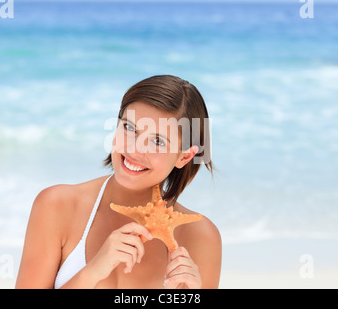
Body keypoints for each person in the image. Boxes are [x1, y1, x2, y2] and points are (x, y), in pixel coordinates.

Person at [15, 75, 222, 289]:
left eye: (158, 141)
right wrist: (93, 272)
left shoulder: (201, 237)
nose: (134, 149)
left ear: (185, 157)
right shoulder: (57, 206)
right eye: (130, 128)